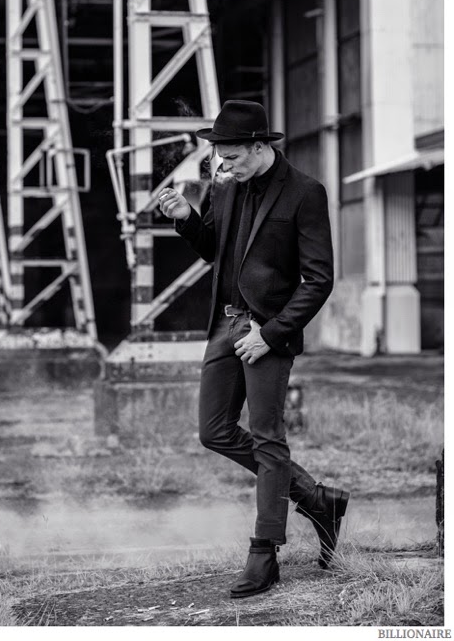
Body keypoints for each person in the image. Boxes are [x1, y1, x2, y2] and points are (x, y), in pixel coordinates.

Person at [158, 100, 350, 599]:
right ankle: (316, 499)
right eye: (220, 157)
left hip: (268, 330)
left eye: (232, 157)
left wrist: (271, 333)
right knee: (214, 431)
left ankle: (265, 553)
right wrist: (187, 219)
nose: (224, 165)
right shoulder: (225, 187)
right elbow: (217, 251)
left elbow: (319, 279)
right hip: (225, 324)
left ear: (260, 146)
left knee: (267, 439)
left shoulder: (305, 192)